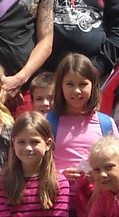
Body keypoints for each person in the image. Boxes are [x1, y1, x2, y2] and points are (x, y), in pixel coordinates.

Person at [47, 53, 113, 198]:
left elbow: (117, 164)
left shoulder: (106, 123)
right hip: (58, 201)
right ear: (60, 86)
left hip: (97, 202)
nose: (77, 91)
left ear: (93, 85)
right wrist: (59, 176)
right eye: (70, 84)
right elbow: (35, 167)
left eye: (83, 84)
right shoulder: (48, 122)